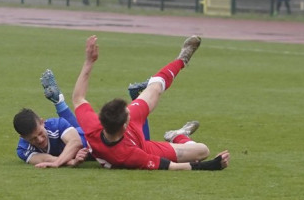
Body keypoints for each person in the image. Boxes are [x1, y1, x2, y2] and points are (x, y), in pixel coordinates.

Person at [71, 34, 229, 171]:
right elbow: (172, 167)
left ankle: (181, 60)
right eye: (127, 113)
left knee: (154, 87)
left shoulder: (93, 126)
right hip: (143, 146)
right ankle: (178, 136)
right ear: (124, 126)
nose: (129, 110)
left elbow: (78, 98)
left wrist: (89, 62)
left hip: (126, 133)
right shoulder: (129, 155)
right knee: (202, 151)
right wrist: (212, 165)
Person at [13, 70, 89, 168]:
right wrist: (72, 162)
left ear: (42, 122)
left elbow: (76, 142)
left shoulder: (56, 125)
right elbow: (46, 159)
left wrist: (58, 163)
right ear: (23, 137)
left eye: (40, 133)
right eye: (33, 139)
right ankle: (59, 103)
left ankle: (60, 103)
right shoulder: (23, 149)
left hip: (94, 139)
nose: (40, 140)